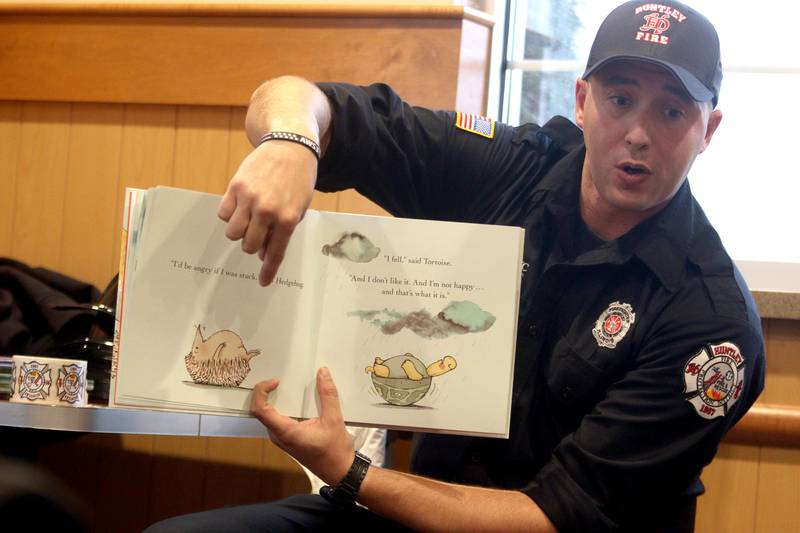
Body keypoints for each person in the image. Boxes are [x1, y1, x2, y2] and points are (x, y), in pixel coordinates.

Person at [145, 1, 764, 531]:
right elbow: (298, 99)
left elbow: (550, 516)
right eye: (621, 99)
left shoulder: (710, 324)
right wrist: (291, 142)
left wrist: (350, 470)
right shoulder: (512, 167)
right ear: (582, 100)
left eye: (672, 112)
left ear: (707, 130)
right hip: (406, 514)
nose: (637, 133)